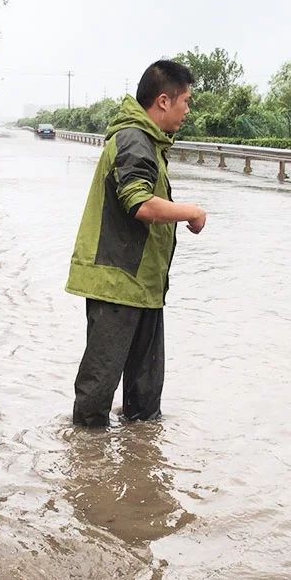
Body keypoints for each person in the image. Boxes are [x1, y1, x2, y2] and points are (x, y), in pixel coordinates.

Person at [66, 60, 207, 428]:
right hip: (117, 281)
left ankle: (139, 465)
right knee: (97, 392)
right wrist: (191, 211)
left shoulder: (149, 142)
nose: (188, 111)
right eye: (186, 102)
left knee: (145, 400)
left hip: (142, 284)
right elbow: (140, 203)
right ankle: (87, 468)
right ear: (163, 100)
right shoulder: (134, 139)